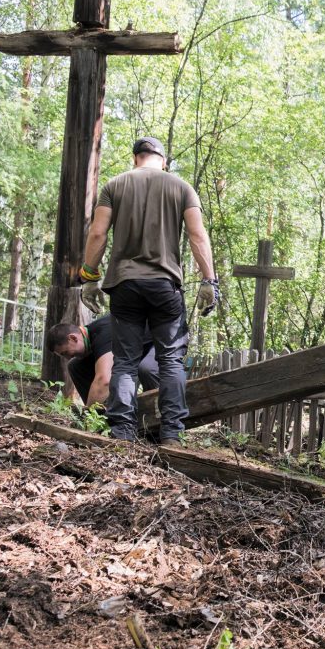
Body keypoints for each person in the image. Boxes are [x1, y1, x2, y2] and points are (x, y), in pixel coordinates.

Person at [78, 136, 219, 446]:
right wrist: (210, 281)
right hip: (165, 286)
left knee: (125, 362)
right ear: (163, 161)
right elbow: (198, 236)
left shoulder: (114, 186)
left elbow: (98, 232)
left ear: (135, 158)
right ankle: (172, 434)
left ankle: (122, 433)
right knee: (170, 361)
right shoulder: (181, 188)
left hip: (125, 287)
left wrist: (89, 276)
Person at [46, 318, 158, 408]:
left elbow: (104, 380)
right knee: (75, 366)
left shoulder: (104, 334)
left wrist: (88, 416)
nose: (67, 357)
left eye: (66, 352)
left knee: (146, 369)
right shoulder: (91, 334)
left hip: (158, 340)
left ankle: (158, 415)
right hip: (134, 352)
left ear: (73, 338)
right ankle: (102, 414)